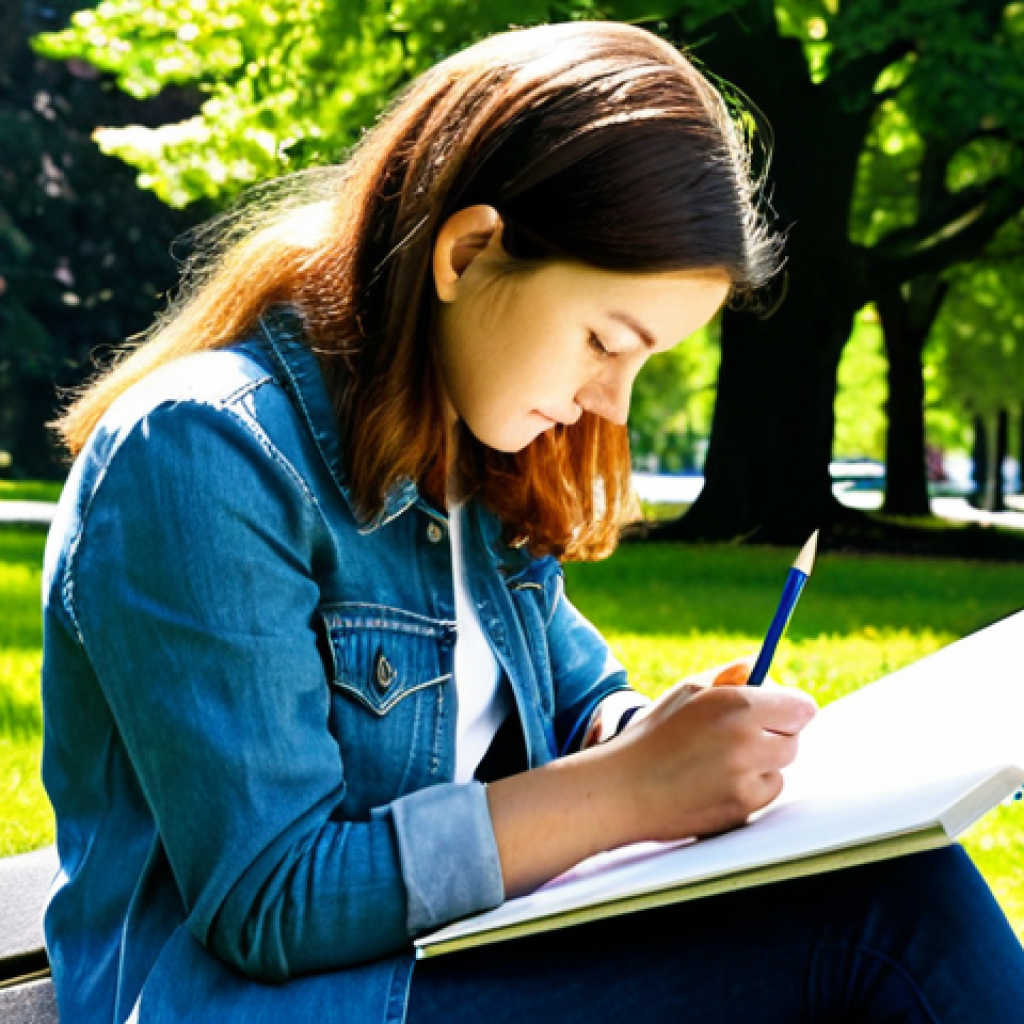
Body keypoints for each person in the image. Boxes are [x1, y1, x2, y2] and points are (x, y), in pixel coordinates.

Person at [41, 20, 1024, 1024]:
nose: (615, 406)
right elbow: (271, 898)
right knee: (889, 928)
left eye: (646, 362)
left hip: (435, 970)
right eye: (606, 339)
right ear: (468, 251)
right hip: (269, 1003)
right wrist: (632, 792)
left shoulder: (467, 456)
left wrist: (651, 733)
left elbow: (575, 690)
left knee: (892, 895)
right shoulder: (205, 452)